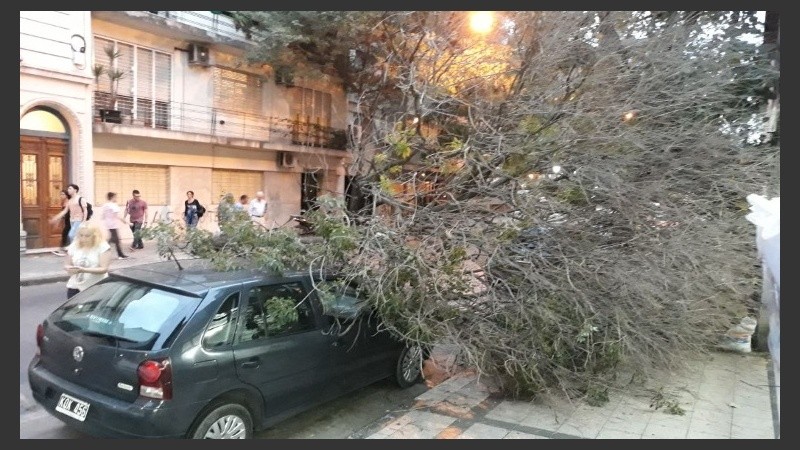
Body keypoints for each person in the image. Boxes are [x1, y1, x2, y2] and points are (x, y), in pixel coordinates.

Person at [64, 222, 111, 299]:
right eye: (81, 235)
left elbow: (104, 269)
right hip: (75, 286)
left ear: (95, 236)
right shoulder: (74, 245)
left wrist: (84, 270)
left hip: (95, 287)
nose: (83, 238)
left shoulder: (103, 246)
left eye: (87, 236)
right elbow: (67, 264)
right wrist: (69, 268)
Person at [102, 192, 129, 260]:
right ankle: (120, 255)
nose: (116, 198)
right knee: (115, 239)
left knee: (114, 239)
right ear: (112, 197)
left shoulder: (105, 205)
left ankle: (120, 254)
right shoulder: (113, 205)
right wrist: (124, 221)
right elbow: (117, 215)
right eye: (115, 197)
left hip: (109, 224)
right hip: (113, 225)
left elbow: (103, 216)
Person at [52, 189, 71, 256]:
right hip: (67, 221)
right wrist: (58, 221)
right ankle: (63, 249)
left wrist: (57, 219)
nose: (61, 196)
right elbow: (63, 214)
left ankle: (62, 249)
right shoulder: (63, 202)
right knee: (66, 234)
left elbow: (66, 212)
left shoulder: (69, 202)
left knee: (66, 234)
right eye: (60, 194)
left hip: (71, 221)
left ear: (66, 195)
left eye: (63, 194)